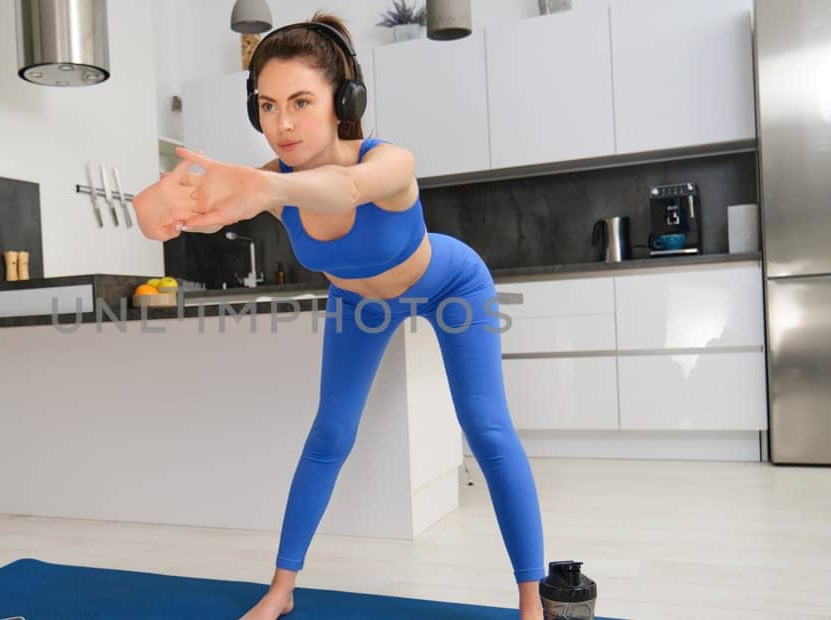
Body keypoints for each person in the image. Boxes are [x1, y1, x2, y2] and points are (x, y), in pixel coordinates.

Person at [131, 12, 547, 620]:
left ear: (342, 101)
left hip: (451, 285)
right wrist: (161, 204)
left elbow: (346, 191)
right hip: (359, 302)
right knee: (330, 435)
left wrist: (263, 189)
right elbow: (158, 214)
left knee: (485, 429)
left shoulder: (388, 163)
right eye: (268, 106)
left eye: (301, 101)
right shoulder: (267, 182)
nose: (283, 123)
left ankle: (531, 602)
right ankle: (280, 589)